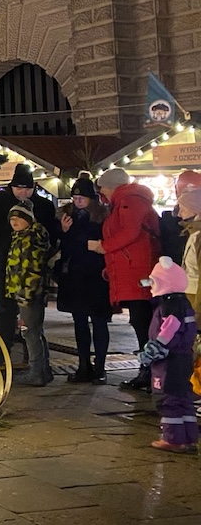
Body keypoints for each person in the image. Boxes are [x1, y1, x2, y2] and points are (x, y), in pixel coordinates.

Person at [0, 164, 57, 362]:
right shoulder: (0, 201)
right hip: (5, 260)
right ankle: (3, 352)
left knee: (31, 314)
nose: (23, 192)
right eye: (19, 188)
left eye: (27, 188)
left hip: (33, 267)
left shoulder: (44, 205)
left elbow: (51, 233)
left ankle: (33, 357)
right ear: (12, 187)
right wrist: (11, 228)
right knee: (5, 309)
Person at [94, 167, 160, 392]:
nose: (101, 192)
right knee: (141, 323)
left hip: (139, 274)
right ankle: (147, 371)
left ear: (112, 186)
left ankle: (150, 373)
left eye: (102, 187)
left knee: (144, 324)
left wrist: (104, 247)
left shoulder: (129, 201)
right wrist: (110, 268)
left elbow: (129, 234)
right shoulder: (125, 201)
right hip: (133, 271)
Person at [137, 256, 197, 453]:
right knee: (183, 399)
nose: (151, 285)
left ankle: (172, 439)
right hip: (183, 358)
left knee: (168, 399)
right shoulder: (184, 304)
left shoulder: (169, 307)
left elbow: (167, 334)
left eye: (154, 281)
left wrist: (151, 352)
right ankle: (188, 436)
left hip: (168, 363)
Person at [55, 173, 110, 384]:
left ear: (91, 198)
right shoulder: (66, 216)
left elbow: (101, 243)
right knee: (79, 322)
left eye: (82, 198)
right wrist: (64, 230)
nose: (78, 202)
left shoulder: (102, 217)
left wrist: (81, 241)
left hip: (96, 275)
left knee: (99, 321)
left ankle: (101, 367)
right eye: (75, 198)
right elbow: (64, 244)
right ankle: (84, 365)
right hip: (75, 275)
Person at [5, 205, 53, 386]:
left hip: (28, 294)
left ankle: (36, 373)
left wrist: (26, 293)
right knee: (35, 332)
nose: (14, 222)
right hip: (25, 293)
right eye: (11, 219)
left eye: (18, 218)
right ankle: (43, 370)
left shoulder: (31, 239)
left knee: (30, 333)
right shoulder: (22, 237)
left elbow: (31, 269)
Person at [178, 187, 201, 315]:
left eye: (183, 208)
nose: (179, 213)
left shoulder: (198, 235)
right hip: (192, 293)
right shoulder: (193, 232)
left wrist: (199, 310)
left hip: (196, 295)